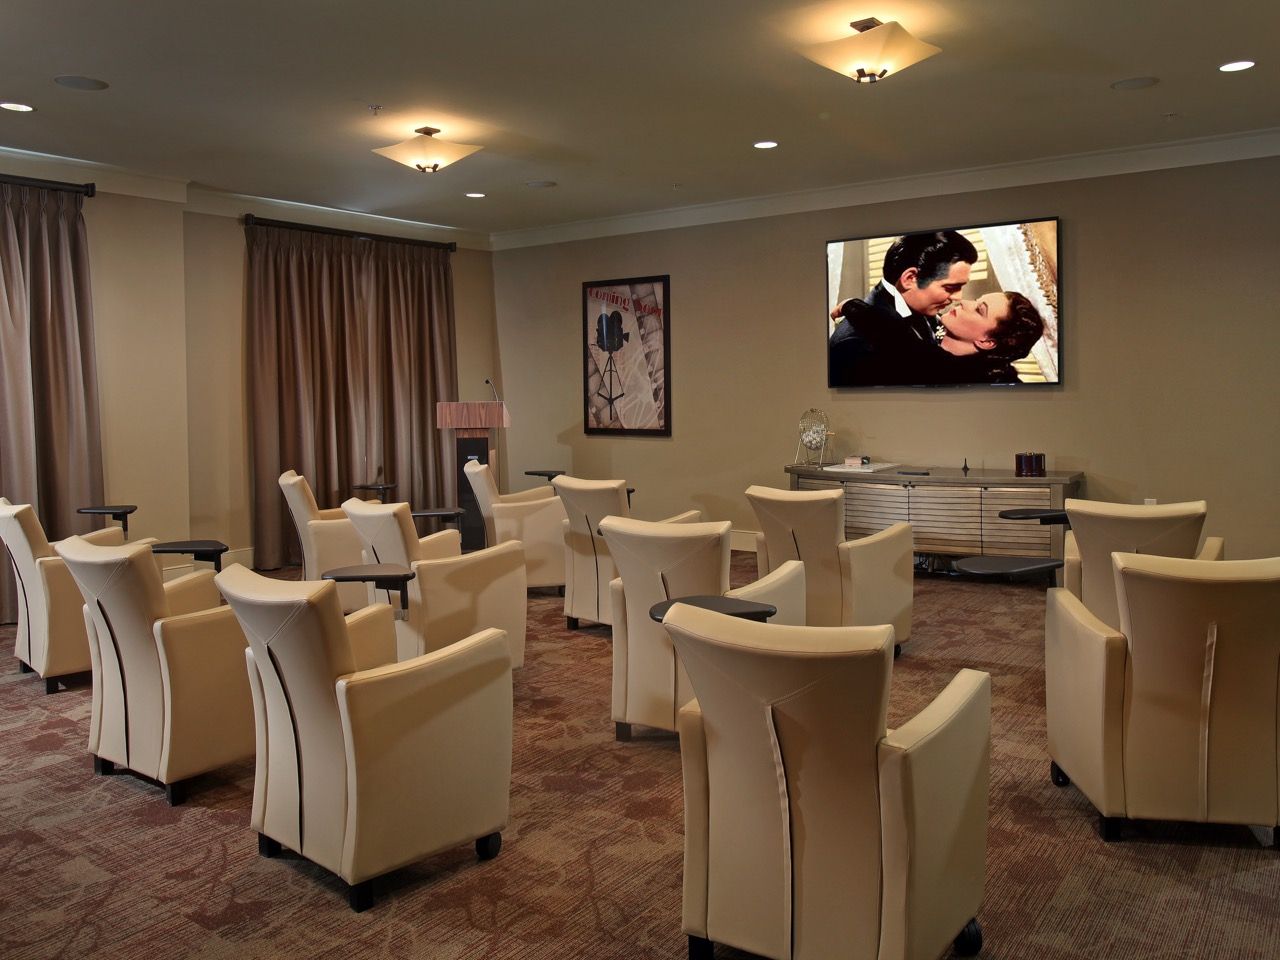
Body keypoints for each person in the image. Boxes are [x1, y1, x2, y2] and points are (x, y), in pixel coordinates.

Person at [828, 230, 979, 386]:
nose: (958, 298)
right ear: (910, 278)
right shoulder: (856, 344)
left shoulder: (925, 312)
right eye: (950, 287)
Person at [932, 291, 1046, 383]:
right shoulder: (924, 319)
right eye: (976, 301)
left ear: (986, 342)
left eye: (979, 310)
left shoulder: (955, 382)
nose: (964, 302)